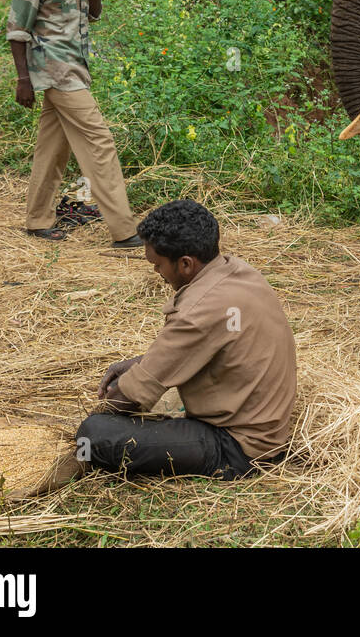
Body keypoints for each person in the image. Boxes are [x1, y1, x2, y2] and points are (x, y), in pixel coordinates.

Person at [77, 199, 297, 480]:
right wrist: (138, 364)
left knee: (95, 435)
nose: (157, 274)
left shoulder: (198, 311)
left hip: (239, 448)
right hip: (267, 427)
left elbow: (131, 397)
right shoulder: (239, 272)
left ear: (185, 264)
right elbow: (211, 346)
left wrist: (103, 412)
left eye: (158, 265)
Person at [7, 0, 141, 248]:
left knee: (52, 149)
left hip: (75, 68)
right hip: (55, 73)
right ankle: (124, 231)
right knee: (100, 143)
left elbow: (93, 13)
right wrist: (23, 81)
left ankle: (38, 221)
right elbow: (17, 30)